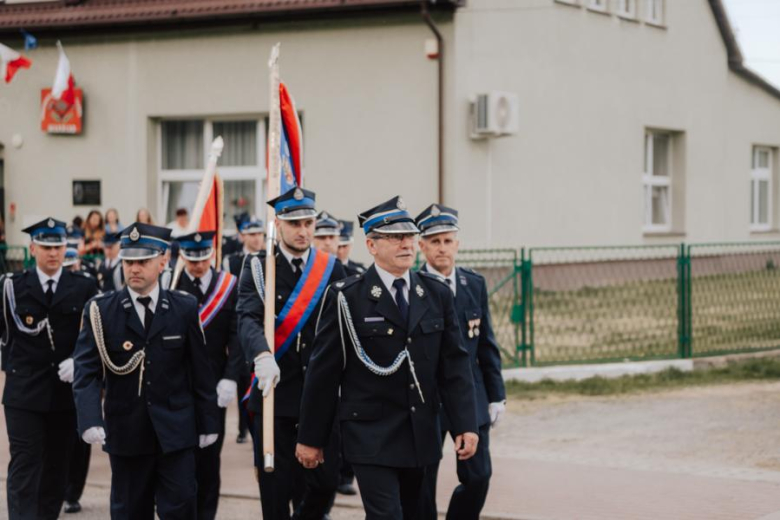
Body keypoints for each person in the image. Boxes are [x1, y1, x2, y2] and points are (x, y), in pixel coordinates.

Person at [295, 196, 479, 520]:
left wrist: (466, 423)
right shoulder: (346, 298)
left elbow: (454, 366)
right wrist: (311, 439)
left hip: (419, 432)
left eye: (409, 235)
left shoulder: (435, 294)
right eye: (395, 237)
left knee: (418, 515)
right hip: (370, 435)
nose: (406, 243)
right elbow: (323, 375)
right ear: (371, 244)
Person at [72, 222, 220, 520]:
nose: (134, 268)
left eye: (143, 261)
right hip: (127, 434)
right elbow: (86, 371)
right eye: (129, 261)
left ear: (163, 260)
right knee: (130, 512)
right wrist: (90, 418)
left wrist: (209, 422)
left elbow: (200, 371)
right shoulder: (102, 311)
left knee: (180, 510)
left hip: (176, 434)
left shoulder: (184, 308)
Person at [237, 186, 345, 520]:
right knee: (275, 489)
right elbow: (248, 317)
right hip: (275, 396)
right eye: (295, 224)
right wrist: (261, 354)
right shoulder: (258, 267)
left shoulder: (331, 268)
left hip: (320, 396)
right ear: (279, 224)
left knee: (324, 483)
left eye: (308, 223)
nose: (303, 231)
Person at [1, 218, 99, 520]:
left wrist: (79, 360)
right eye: (46, 246)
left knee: (58, 466)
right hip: (24, 394)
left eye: (58, 246)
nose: (53, 253)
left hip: (63, 395)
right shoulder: (12, 287)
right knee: (25, 464)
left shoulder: (83, 286)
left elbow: (95, 336)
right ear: (33, 248)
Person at [415, 204, 506, 520]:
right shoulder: (412, 288)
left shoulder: (473, 283)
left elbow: (486, 344)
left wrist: (496, 396)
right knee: (422, 479)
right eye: (435, 241)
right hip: (427, 397)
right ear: (421, 245)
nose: (442, 248)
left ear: (458, 244)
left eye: (448, 241)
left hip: (470, 393)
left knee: (479, 475)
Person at [176, 230, 243, 520]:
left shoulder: (228, 285)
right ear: (183, 257)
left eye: (203, 259)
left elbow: (238, 335)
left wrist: (231, 376)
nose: (198, 266)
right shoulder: (172, 283)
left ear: (212, 255)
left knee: (209, 460)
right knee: (178, 460)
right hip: (177, 385)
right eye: (192, 259)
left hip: (215, 385)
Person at [222, 216, 265, 444]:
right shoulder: (232, 261)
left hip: (259, 326)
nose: (257, 238)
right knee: (240, 378)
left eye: (259, 234)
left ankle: (255, 426)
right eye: (252, 234)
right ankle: (242, 427)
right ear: (242, 236)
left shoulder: (268, 260)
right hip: (237, 324)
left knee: (256, 378)